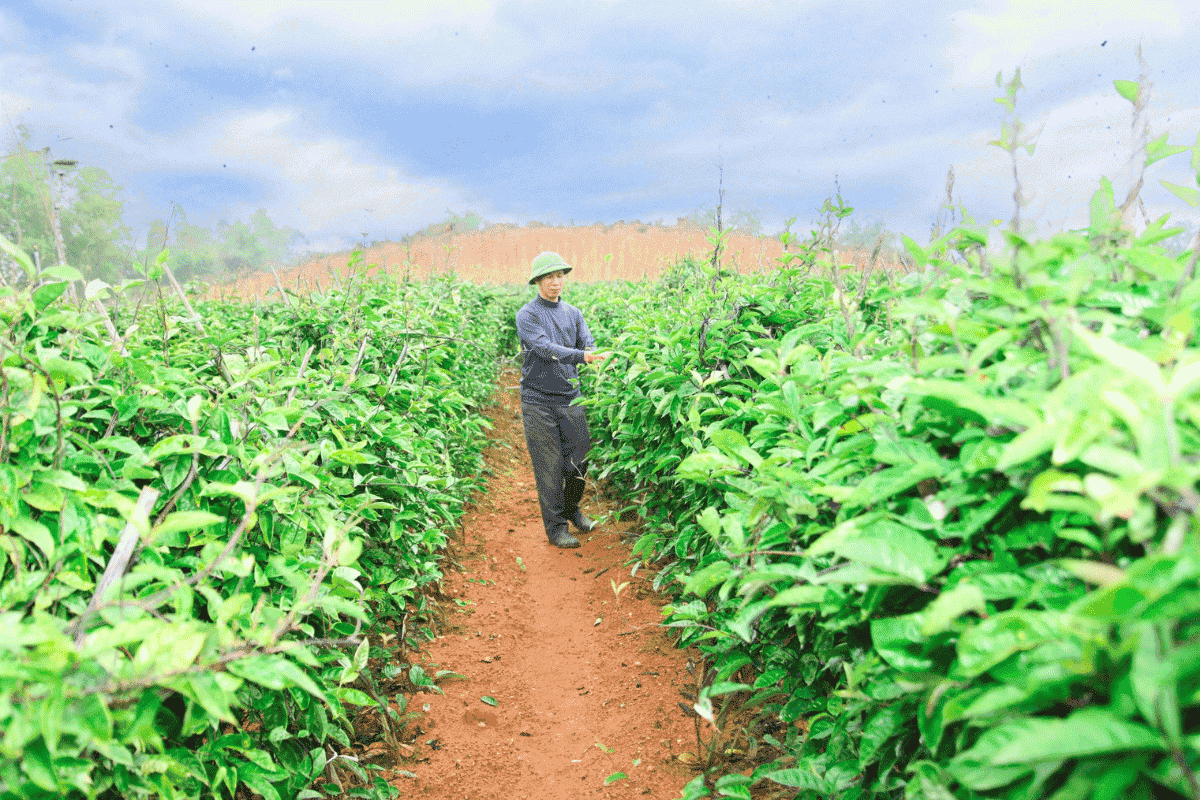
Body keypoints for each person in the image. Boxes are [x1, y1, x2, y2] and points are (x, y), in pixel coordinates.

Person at [516, 251, 609, 548]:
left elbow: (588, 345)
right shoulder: (527, 315)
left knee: (579, 460)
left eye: (559, 276)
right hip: (538, 401)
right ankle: (555, 528)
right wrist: (583, 356)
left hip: (570, 398)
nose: (556, 282)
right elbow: (544, 348)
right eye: (549, 277)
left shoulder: (574, 314)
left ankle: (572, 510)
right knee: (549, 466)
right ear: (538, 281)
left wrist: (598, 354)